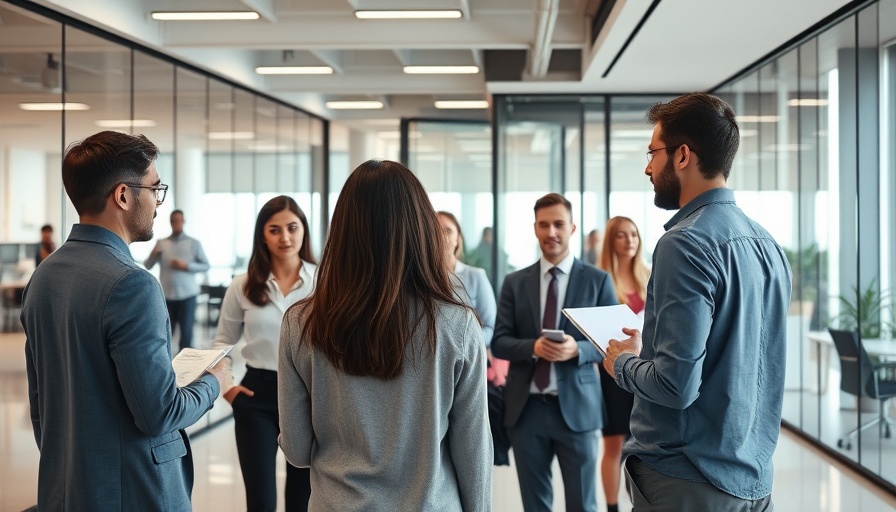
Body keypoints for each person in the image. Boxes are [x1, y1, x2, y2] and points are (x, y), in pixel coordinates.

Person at [602, 93, 792, 511]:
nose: (648, 167)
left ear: (682, 155)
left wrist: (621, 363)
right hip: (753, 480)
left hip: (687, 479)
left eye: (653, 153)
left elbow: (675, 385)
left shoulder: (684, 243)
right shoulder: (768, 245)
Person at [21, 130, 225, 510]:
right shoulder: (133, 285)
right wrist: (214, 383)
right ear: (123, 195)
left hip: (65, 489)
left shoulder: (43, 278)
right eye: (155, 188)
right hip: (134, 492)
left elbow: (40, 406)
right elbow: (160, 413)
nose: (159, 203)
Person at [278, 160, 492, 511]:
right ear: (420, 228)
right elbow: (474, 453)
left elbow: (298, 452)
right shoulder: (458, 326)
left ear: (343, 230)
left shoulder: (301, 323)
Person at [491, 192, 618, 512]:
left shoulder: (598, 281)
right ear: (534, 228)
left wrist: (579, 349)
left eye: (559, 224)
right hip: (526, 412)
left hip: (578, 410)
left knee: (583, 505)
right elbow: (500, 341)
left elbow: (613, 343)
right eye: (544, 225)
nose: (551, 232)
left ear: (572, 228)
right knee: (535, 506)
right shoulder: (514, 282)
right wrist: (532, 347)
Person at [212, 195, 317, 512]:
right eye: (274, 229)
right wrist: (229, 390)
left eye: (292, 227)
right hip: (257, 394)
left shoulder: (324, 282)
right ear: (262, 235)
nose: (285, 237)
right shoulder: (242, 286)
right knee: (260, 499)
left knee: (302, 499)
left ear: (303, 231)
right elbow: (222, 344)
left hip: (310, 395)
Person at [596, 216, 650, 512]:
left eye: (634, 235)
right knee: (614, 443)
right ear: (611, 241)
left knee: (640, 442)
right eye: (621, 235)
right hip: (611, 371)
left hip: (644, 371)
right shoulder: (602, 278)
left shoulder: (650, 275)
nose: (629, 240)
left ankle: (637, 503)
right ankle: (613, 507)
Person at [145, 209, 210, 352]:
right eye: (173, 221)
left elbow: (206, 265)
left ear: (183, 221)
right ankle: (167, 366)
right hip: (167, 296)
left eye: (179, 220)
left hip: (188, 295)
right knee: (166, 333)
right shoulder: (162, 243)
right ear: (170, 222)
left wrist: (186, 266)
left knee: (186, 333)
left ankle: (187, 368)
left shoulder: (194, 243)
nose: (176, 223)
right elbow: (148, 265)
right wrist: (154, 253)